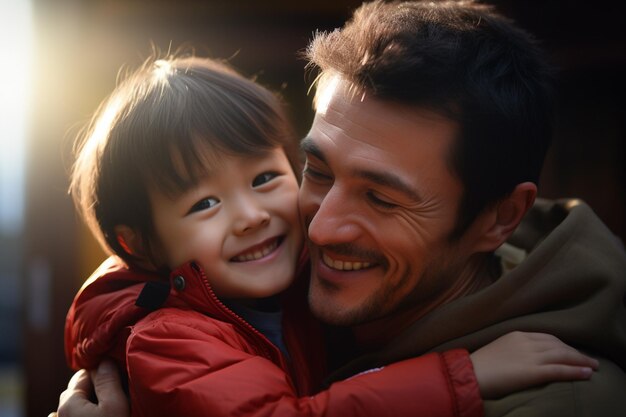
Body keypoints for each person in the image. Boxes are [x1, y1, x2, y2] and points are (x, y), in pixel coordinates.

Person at [53, 1, 626, 416]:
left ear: (499, 218)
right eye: (319, 172)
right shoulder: (278, 304)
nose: (319, 227)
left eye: (381, 197)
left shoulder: (553, 396)